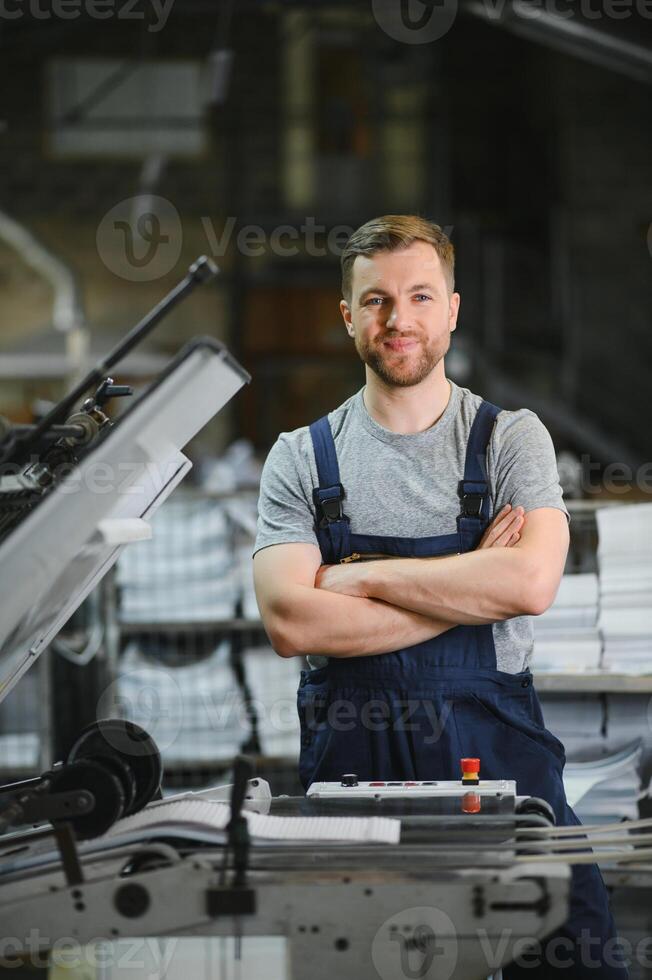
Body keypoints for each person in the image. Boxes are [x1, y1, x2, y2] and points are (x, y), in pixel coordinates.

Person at [253, 215, 627, 978]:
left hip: (503, 762)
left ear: (452, 309)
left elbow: (527, 583)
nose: (400, 321)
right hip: (354, 775)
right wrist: (467, 579)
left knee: (577, 956)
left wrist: (354, 576)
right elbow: (292, 620)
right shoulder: (299, 457)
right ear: (348, 315)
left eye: (421, 297)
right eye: (378, 300)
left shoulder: (510, 440)